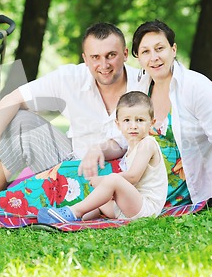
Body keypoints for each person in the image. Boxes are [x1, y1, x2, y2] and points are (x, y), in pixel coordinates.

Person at [0, 22, 140, 198]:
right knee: (21, 121)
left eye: (111, 55)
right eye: (95, 57)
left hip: (125, 177)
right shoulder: (70, 78)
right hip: (73, 169)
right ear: (85, 59)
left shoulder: (144, 83)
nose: (104, 64)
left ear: (125, 54)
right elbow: (12, 99)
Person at [130, 19, 212, 204]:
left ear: (173, 50)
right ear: (138, 57)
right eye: (146, 51)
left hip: (184, 190)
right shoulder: (139, 90)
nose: (154, 57)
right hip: (145, 185)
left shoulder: (197, 87)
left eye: (160, 48)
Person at [37, 91, 167, 223]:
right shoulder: (131, 148)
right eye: (127, 120)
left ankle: (74, 211)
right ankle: (75, 217)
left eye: (140, 120)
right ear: (118, 124)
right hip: (132, 205)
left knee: (113, 179)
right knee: (100, 199)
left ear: (151, 123)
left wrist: (104, 180)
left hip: (146, 208)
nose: (133, 126)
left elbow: (134, 176)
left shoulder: (148, 144)